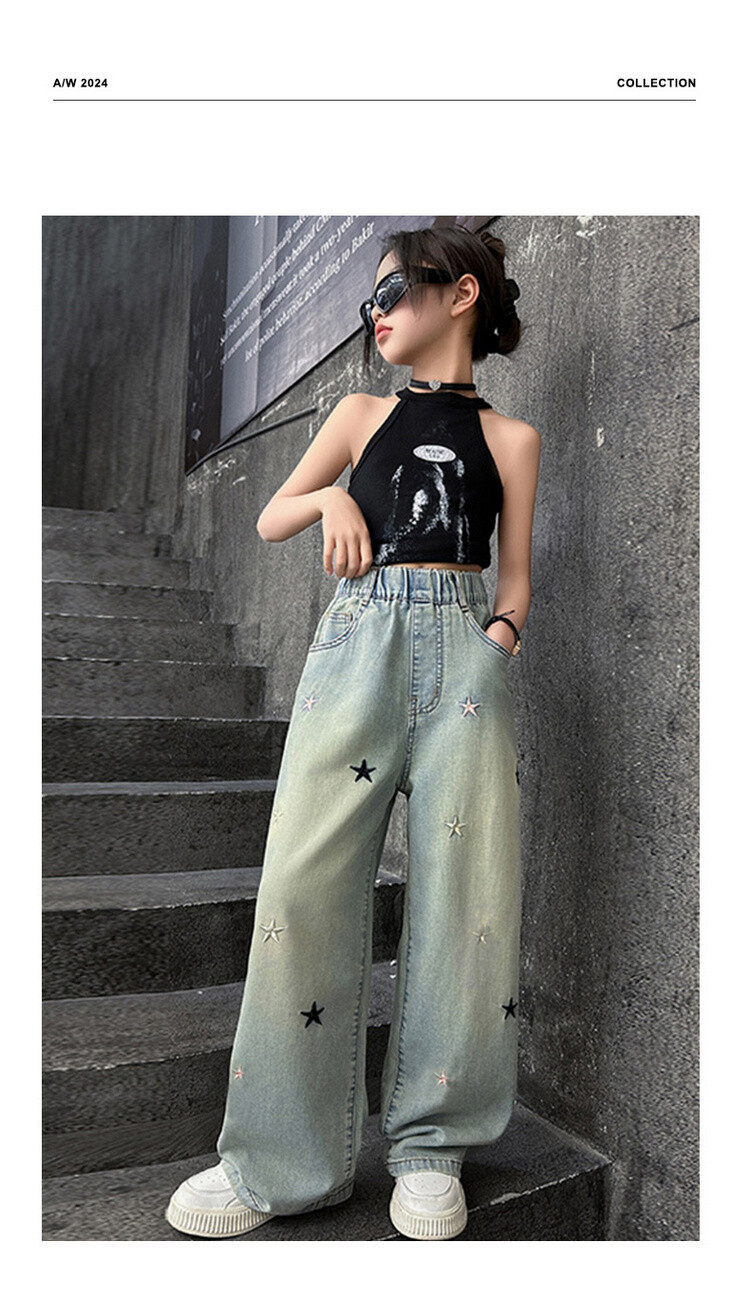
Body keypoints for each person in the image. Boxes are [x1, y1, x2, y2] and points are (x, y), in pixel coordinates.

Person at [166, 223, 541, 1241]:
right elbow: (270, 517)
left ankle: (433, 1143)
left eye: (392, 291)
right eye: (369, 299)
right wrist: (331, 493)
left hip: (465, 654)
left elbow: (515, 577)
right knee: (302, 883)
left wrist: (497, 639)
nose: (375, 312)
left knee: (468, 895)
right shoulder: (358, 413)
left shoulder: (514, 441)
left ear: (460, 294)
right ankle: (279, 1157)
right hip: (358, 642)